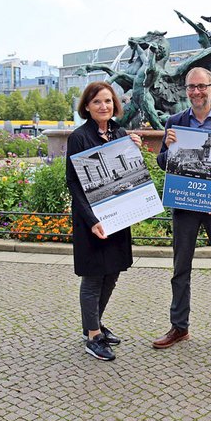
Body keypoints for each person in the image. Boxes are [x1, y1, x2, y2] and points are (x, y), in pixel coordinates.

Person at [153, 67, 211, 356]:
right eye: (191, 87)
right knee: (180, 269)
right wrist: (167, 150)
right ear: (186, 90)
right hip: (185, 206)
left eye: (201, 86)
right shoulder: (175, 122)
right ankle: (179, 326)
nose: (196, 91)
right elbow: (162, 163)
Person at [65, 81, 142, 361]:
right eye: (97, 102)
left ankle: (94, 323)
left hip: (118, 216)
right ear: (87, 106)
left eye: (108, 101)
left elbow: (131, 176)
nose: (103, 106)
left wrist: (135, 149)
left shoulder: (120, 134)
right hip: (92, 220)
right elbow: (73, 183)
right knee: (94, 276)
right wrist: (92, 219)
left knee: (112, 273)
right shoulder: (79, 138)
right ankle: (93, 336)